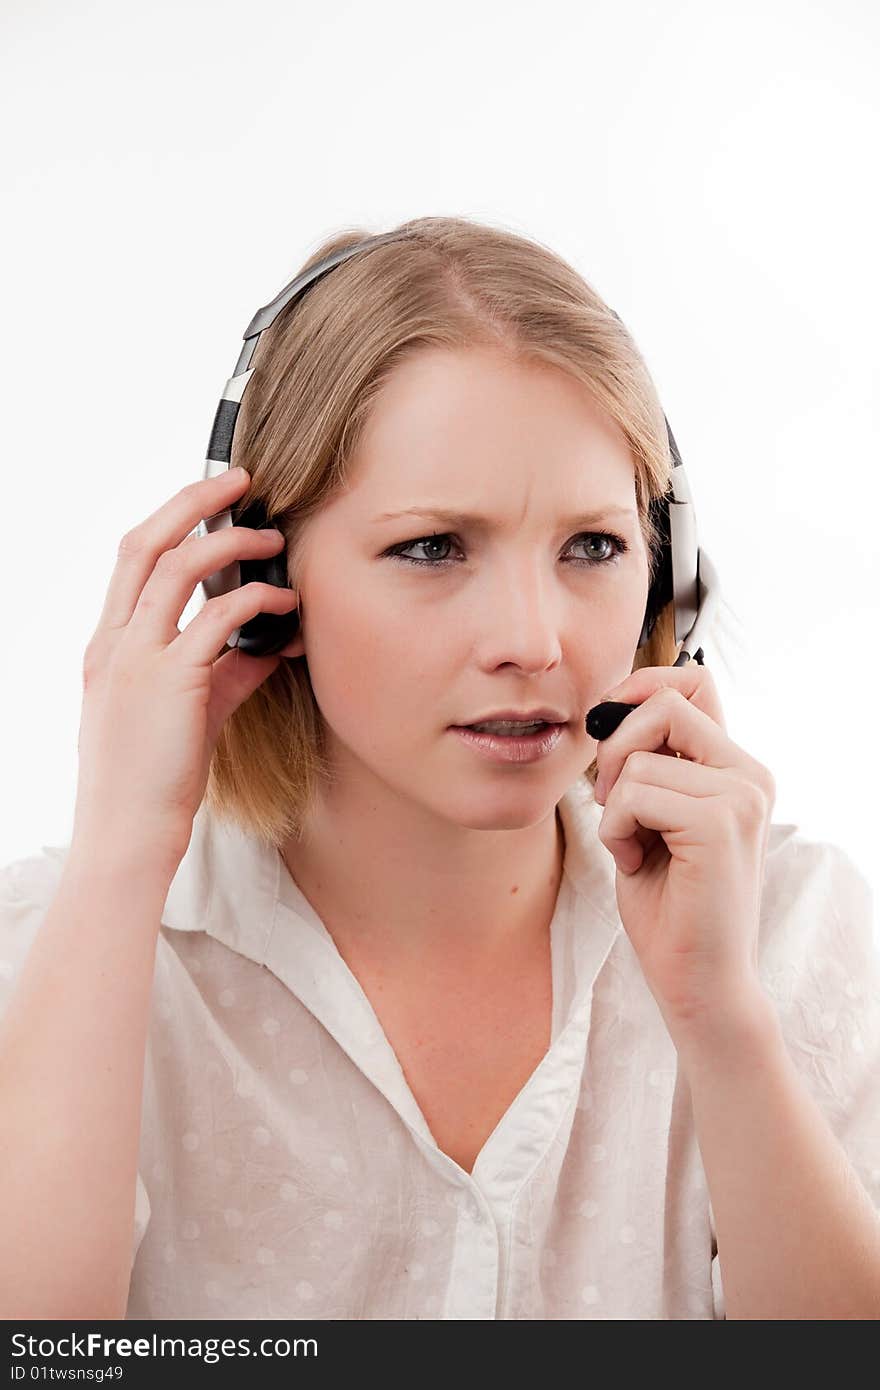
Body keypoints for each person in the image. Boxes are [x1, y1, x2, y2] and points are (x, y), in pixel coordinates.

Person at [1, 216, 878, 1321]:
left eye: (592, 547)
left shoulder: (786, 930)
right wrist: (123, 848)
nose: (532, 639)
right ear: (259, 577)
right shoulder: (62, 952)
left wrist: (721, 1020)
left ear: (669, 572)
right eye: (432, 547)